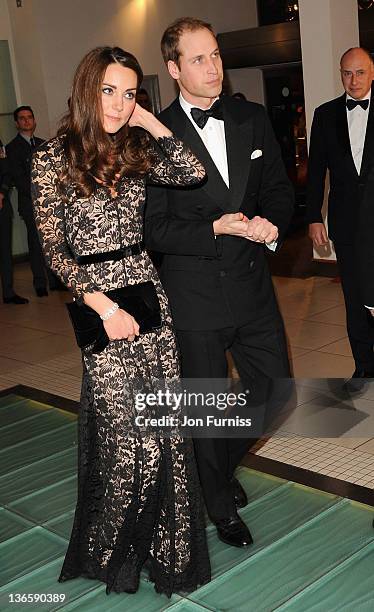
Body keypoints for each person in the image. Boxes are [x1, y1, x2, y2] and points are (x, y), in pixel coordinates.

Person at [31, 46, 210, 596]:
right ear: (88, 88)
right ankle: (110, 551)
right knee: (124, 434)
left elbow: (192, 170)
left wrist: (148, 119)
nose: (117, 103)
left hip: (146, 290)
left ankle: (166, 550)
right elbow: (55, 251)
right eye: (109, 90)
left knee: (162, 431)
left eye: (129, 92)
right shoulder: (51, 159)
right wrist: (103, 306)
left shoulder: (135, 149)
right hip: (97, 299)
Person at [145, 18, 294, 548]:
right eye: (199, 59)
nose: (214, 67)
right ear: (173, 69)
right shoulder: (154, 138)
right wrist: (212, 227)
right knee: (205, 408)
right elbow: (154, 228)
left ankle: (216, 471)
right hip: (195, 297)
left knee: (277, 393)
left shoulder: (250, 118)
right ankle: (216, 503)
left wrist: (274, 223)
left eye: (216, 55)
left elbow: (278, 190)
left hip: (253, 288)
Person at [307, 47, 374, 391]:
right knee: (353, 297)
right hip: (346, 222)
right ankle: (365, 367)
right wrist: (314, 217)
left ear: (372, 73)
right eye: (347, 73)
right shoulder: (326, 114)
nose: (353, 80)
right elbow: (316, 172)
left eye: (360, 72)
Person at [6, 106, 64, 296]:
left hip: (50, 204)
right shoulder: (11, 148)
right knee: (36, 244)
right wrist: (41, 194)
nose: (26, 121)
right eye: (22, 118)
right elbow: (18, 178)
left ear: (34, 120)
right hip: (30, 204)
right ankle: (40, 283)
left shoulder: (43, 144)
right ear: (16, 123)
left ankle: (55, 280)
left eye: (29, 117)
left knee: (53, 242)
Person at [0, 138, 28, 304]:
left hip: (1, 204)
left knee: (5, 251)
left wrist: (2, 192)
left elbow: (6, 171)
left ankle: (8, 293)